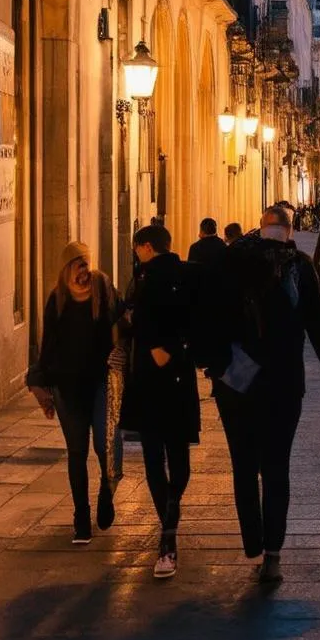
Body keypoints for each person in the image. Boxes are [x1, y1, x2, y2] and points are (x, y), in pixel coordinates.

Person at [201, 206, 320, 585]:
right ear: (288, 230)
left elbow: (210, 319)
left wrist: (216, 368)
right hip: (284, 383)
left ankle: (252, 541)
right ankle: (273, 554)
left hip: (237, 383)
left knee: (244, 466)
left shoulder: (233, 259)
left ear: (261, 226)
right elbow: (319, 329)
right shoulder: (299, 266)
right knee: (276, 467)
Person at [26, 243, 126, 544]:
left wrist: (122, 349)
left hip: (100, 382)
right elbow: (48, 346)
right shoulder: (57, 298)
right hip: (67, 388)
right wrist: (40, 382)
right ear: (67, 268)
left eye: (86, 264)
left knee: (105, 445)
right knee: (77, 452)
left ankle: (106, 493)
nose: (83, 271)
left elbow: (121, 322)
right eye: (78, 265)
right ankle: (80, 517)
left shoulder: (103, 288)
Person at [121, 223, 199, 579]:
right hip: (180, 379)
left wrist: (154, 346)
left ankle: (168, 533)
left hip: (150, 380)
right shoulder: (188, 276)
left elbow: (135, 322)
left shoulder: (144, 278)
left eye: (138, 248)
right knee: (179, 457)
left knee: (154, 459)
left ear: (147, 247)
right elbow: (198, 320)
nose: (137, 254)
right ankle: (170, 522)